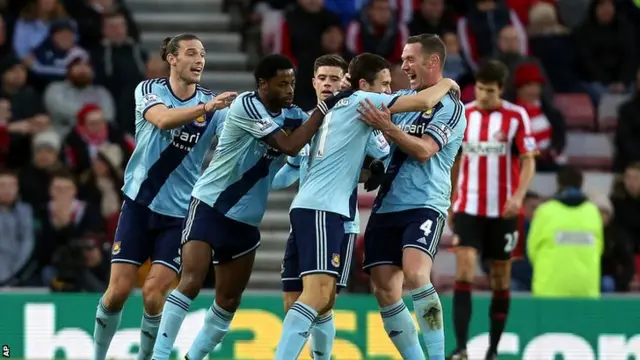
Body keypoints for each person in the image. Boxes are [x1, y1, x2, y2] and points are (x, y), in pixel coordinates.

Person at [151, 54, 346, 360]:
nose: (290, 90)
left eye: (293, 83)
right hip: (210, 207)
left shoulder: (294, 115)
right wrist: (324, 108)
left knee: (228, 301)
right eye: (282, 84)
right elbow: (290, 145)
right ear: (262, 85)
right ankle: (160, 356)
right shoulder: (246, 105)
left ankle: (192, 357)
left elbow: (306, 146)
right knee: (190, 281)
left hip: (246, 222)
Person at [274, 47, 462, 359]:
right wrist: (447, 84)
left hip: (312, 208)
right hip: (326, 209)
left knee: (319, 300)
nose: (389, 89)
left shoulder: (330, 111)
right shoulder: (364, 102)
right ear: (365, 86)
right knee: (317, 296)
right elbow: (424, 101)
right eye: (385, 83)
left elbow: (378, 156)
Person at [91, 33, 236, 360]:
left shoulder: (214, 107)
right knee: (117, 293)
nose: (199, 60)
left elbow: (237, 139)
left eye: (202, 53)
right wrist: (205, 108)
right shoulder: (150, 90)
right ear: (171, 58)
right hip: (139, 206)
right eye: (190, 53)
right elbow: (161, 119)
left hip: (179, 214)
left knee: (155, 295)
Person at [352, 34, 466, 360]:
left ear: (432, 62)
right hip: (387, 205)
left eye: (409, 59)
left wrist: (388, 128)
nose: (403, 66)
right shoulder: (400, 99)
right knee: (384, 290)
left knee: (416, 274)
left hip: (424, 204)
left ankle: (438, 355)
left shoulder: (451, 108)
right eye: (402, 59)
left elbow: (425, 150)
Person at [271, 53, 390, 359]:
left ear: (345, 83)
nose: (327, 84)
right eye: (322, 78)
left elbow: (380, 154)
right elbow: (287, 173)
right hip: (306, 214)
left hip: (340, 217)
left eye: (334, 78)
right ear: (312, 82)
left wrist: (372, 167)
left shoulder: (356, 115)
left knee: (322, 300)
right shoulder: (307, 123)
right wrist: (264, 173)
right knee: (296, 300)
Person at [448, 60, 537, 360]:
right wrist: (451, 200)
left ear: (501, 89)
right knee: (464, 269)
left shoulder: (516, 116)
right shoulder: (465, 115)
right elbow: (456, 160)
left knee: (500, 277)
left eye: (490, 90)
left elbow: (528, 159)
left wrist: (519, 197)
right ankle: (461, 348)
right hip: (468, 208)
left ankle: (493, 350)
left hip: (504, 211)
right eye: (480, 89)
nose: (484, 95)